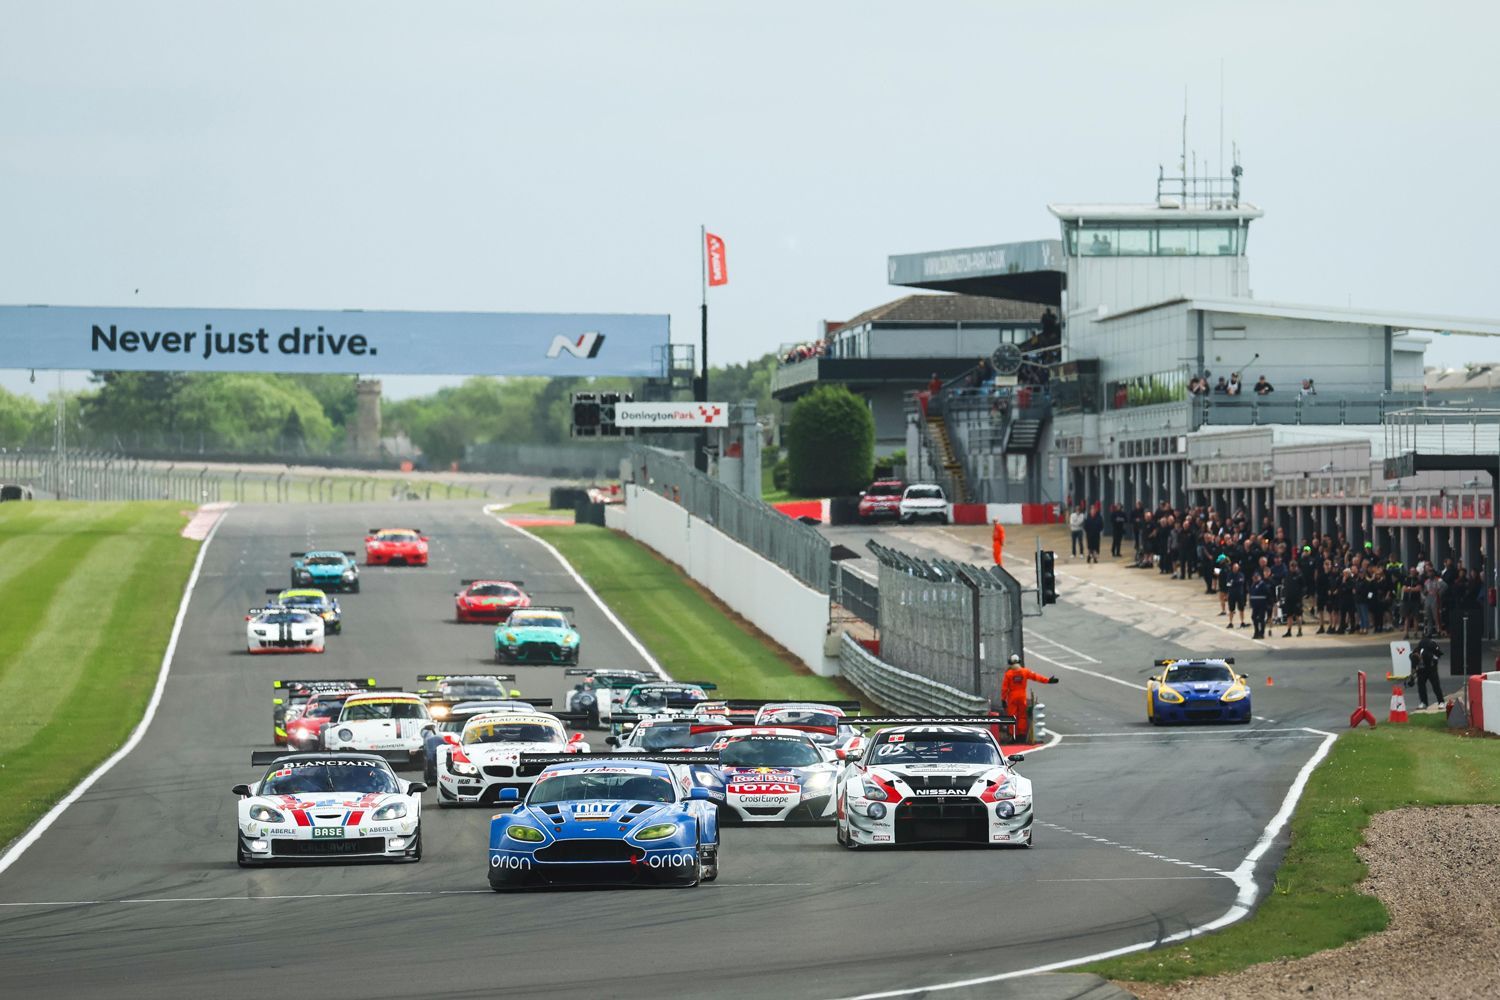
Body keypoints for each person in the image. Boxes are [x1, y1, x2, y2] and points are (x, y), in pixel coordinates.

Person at [1001, 653, 1058, 742]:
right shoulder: (1025, 672)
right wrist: (1048, 680)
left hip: (1012, 697)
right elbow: (1036, 677)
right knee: (1022, 716)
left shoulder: (1008, 674)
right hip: (1022, 696)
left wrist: (1003, 699)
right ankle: (1022, 735)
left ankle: (1013, 736)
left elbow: (1004, 688)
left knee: (1012, 717)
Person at [1408, 630, 1445, 709]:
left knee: (1435, 685)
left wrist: (1433, 662)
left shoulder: (1429, 650)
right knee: (1421, 686)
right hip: (1422, 671)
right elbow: (1413, 668)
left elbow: (1437, 656)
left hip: (1431, 668)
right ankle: (1423, 702)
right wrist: (1412, 678)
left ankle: (1441, 702)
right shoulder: (1414, 657)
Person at [1249, 569, 1274, 639]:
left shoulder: (1263, 585)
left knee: (1261, 618)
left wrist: (1269, 604)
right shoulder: (1253, 585)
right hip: (1255, 605)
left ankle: (1261, 633)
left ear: (1260, 577)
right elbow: (1251, 594)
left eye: (1256, 577)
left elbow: (1268, 595)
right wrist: (1251, 603)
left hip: (1262, 604)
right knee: (1254, 617)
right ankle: (1256, 631)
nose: (1255, 578)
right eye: (1254, 577)